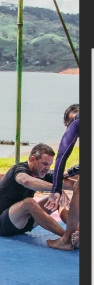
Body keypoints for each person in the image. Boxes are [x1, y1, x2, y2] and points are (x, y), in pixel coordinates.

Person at [0, 143, 68, 239]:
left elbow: (67, 181)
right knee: (29, 202)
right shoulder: (19, 169)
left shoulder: (42, 172)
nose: (47, 168)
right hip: (1, 225)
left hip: (24, 223)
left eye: (50, 165)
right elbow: (25, 180)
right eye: (45, 164)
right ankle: (67, 237)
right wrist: (56, 188)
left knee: (58, 198)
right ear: (32, 160)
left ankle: (77, 232)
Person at [46, 104, 80, 251]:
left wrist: (56, 189)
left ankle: (66, 240)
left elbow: (62, 155)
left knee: (79, 187)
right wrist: (71, 172)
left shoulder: (76, 120)